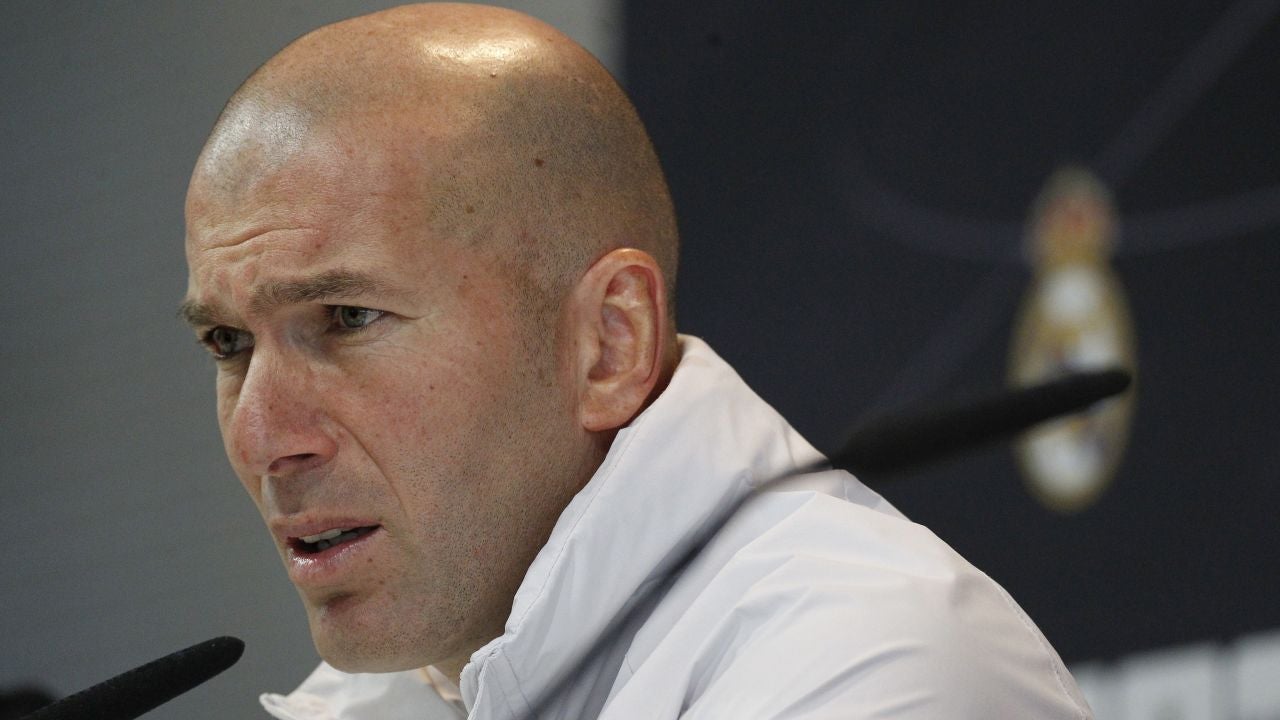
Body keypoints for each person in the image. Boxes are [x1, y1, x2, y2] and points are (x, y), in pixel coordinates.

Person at [180, 4, 1092, 718]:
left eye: (346, 319)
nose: (262, 439)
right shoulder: (382, 699)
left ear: (609, 343)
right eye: (228, 343)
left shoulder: (870, 663)